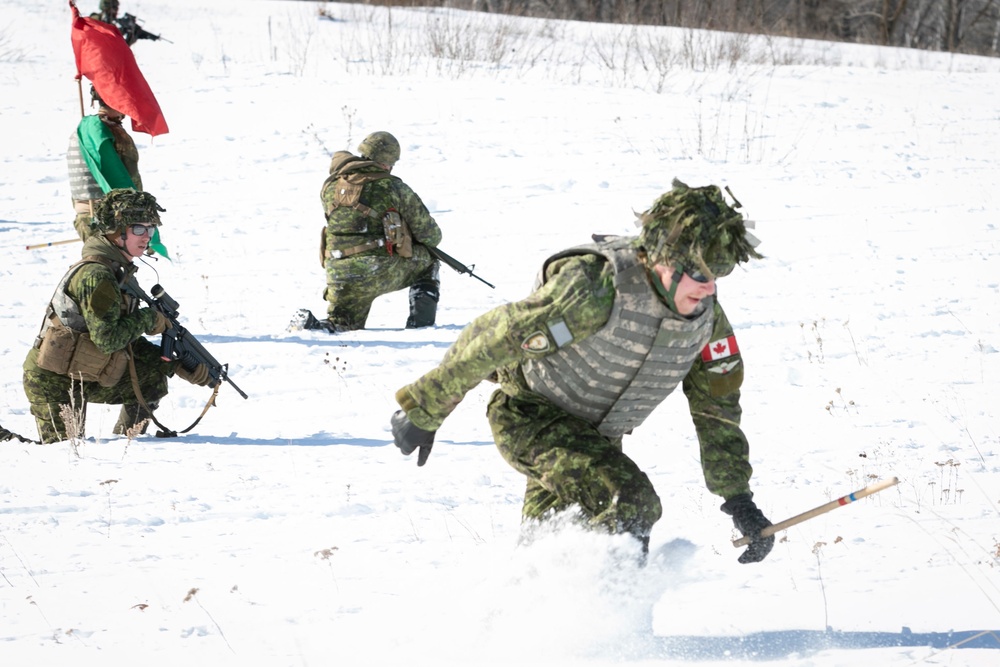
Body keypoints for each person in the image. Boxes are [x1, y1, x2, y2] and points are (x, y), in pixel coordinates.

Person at [389, 179, 775, 564]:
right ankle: (620, 617)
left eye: (718, 276)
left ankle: (521, 615)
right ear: (663, 259)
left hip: (595, 438)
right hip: (529, 417)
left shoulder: (705, 322)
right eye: (700, 274)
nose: (709, 290)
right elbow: (494, 335)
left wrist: (738, 498)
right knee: (630, 503)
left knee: (547, 550)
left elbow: (717, 406)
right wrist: (425, 410)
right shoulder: (596, 289)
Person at [22, 189, 210, 444]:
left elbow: (125, 340)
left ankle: (128, 446)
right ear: (116, 230)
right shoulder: (98, 275)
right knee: (64, 453)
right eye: (139, 229)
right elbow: (108, 340)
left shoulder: (116, 272)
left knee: (152, 380)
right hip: (53, 378)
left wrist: (173, 364)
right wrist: (148, 319)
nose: (147, 237)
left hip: (84, 371)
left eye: (151, 229)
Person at [300, 131, 443, 332]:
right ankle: (421, 328)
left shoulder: (331, 186)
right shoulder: (392, 186)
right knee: (429, 262)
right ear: (388, 162)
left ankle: (313, 327)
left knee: (342, 324)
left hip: (338, 272)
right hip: (377, 268)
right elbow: (431, 235)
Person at [68, 85, 167, 257]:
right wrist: (142, 220)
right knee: (109, 270)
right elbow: (118, 180)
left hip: (104, 215)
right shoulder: (99, 130)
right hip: (104, 217)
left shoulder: (95, 129)